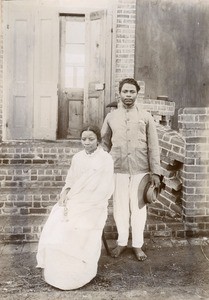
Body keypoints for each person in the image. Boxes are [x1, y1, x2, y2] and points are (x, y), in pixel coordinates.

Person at [36, 125, 114, 290]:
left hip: (94, 204)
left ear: (98, 140)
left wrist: (85, 201)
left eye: (91, 139)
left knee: (78, 224)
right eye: (83, 139)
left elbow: (105, 189)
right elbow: (70, 180)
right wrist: (65, 194)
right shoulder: (77, 157)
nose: (87, 143)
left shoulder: (105, 159)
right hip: (76, 199)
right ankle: (58, 270)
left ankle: (79, 272)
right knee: (57, 217)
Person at [101, 78, 161, 261]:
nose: (128, 95)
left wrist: (156, 171)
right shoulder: (111, 117)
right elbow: (104, 144)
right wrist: (101, 167)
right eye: (125, 91)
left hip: (140, 168)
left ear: (137, 93)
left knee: (138, 208)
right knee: (119, 208)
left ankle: (137, 245)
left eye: (132, 92)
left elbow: (153, 146)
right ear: (119, 93)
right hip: (118, 167)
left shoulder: (146, 116)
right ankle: (121, 243)